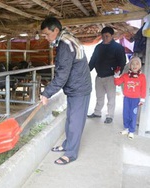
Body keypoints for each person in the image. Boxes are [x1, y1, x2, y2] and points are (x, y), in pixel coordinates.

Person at [40, 16, 92, 165]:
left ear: (56, 30)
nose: (45, 38)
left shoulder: (65, 44)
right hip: (75, 86)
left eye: (47, 34)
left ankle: (71, 153)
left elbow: (62, 75)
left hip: (79, 88)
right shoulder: (68, 38)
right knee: (70, 118)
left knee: (75, 122)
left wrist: (46, 93)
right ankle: (67, 145)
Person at [87, 26, 126, 124]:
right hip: (99, 76)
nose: (104, 38)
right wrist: (87, 71)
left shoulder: (118, 47)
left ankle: (110, 115)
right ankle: (97, 112)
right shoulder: (98, 47)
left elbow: (122, 62)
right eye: (103, 36)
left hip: (111, 77)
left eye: (107, 36)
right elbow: (93, 60)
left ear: (112, 36)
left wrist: (118, 74)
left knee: (111, 97)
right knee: (99, 96)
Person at [114, 56, 146, 139]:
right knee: (126, 113)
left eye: (137, 64)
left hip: (136, 99)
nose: (135, 66)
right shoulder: (125, 75)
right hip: (127, 98)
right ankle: (127, 128)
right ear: (129, 65)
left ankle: (132, 131)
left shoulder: (142, 77)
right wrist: (116, 75)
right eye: (133, 64)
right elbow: (117, 83)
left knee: (133, 114)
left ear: (140, 66)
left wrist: (142, 99)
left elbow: (143, 88)